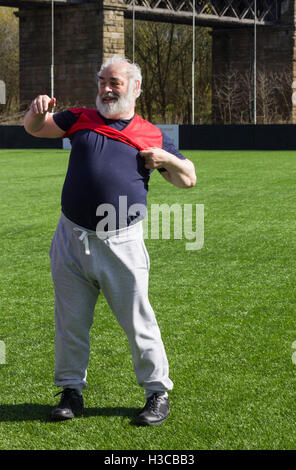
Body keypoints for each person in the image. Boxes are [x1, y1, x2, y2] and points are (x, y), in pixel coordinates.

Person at [24, 55, 196, 426]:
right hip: (71, 237)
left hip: (122, 241)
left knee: (138, 321)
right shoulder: (78, 117)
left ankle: (157, 393)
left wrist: (166, 158)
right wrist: (36, 112)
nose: (106, 88)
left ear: (135, 88)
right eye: (102, 81)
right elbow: (36, 129)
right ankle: (71, 391)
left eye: (114, 83)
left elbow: (188, 179)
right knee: (70, 321)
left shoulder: (151, 134)